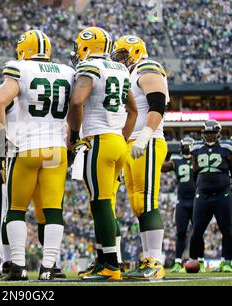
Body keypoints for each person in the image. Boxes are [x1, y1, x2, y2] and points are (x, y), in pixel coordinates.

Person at [0, 30, 75, 281]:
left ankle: (17, 266)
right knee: (53, 211)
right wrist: (72, 142)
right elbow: (76, 109)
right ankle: (49, 268)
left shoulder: (20, 69)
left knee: (16, 209)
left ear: (23, 50)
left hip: (27, 147)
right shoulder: (68, 73)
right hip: (56, 148)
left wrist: (0, 146)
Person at [69, 27, 137, 281]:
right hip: (117, 141)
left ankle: (111, 266)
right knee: (105, 203)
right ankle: (104, 261)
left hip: (98, 140)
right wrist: (122, 137)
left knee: (100, 204)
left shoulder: (90, 68)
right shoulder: (120, 68)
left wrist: (75, 136)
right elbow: (133, 110)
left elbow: (77, 101)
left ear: (86, 46)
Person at [112, 35, 170, 280]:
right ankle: (148, 258)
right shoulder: (131, 72)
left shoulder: (148, 67)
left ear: (137, 52)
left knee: (146, 201)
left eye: (124, 54)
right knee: (137, 203)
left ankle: (155, 261)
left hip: (148, 141)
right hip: (133, 142)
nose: (121, 59)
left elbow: (157, 104)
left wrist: (146, 135)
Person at [190, 120, 232, 272]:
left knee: (227, 229)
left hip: (223, 193)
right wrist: (200, 188)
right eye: (207, 133)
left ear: (218, 134)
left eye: (212, 133)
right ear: (203, 134)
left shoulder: (227, 148)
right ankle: (197, 261)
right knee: (197, 230)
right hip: (204, 194)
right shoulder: (196, 149)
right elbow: (194, 172)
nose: (209, 136)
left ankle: (226, 261)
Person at [161, 137, 201, 272]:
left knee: (198, 232)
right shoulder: (176, 159)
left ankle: (200, 259)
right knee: (181, 232)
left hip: (196, 200)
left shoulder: (199, 157)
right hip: (182, 201)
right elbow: (162, 167)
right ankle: (178, 261)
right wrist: (161, 153)